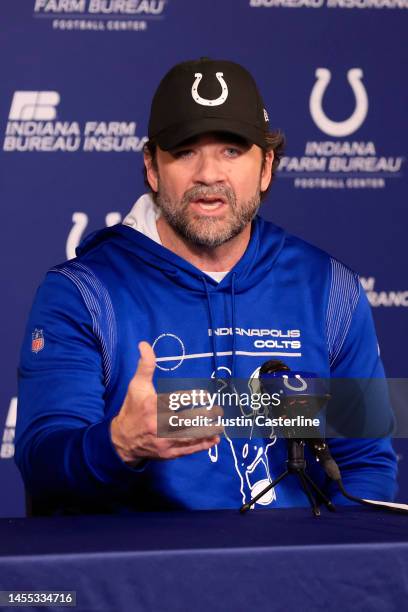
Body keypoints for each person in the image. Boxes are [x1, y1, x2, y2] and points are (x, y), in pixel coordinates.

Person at [15, 58, 397, 515]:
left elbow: (365, 466)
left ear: (266, 167)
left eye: (232, 151)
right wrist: (117, 444)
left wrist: (321, 575)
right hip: (139, 580)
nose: (209, 175)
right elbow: (43, 464)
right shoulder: (82, 294)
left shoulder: (328, 290)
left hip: (291, 577)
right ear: (153, 168)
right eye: (185, 151)